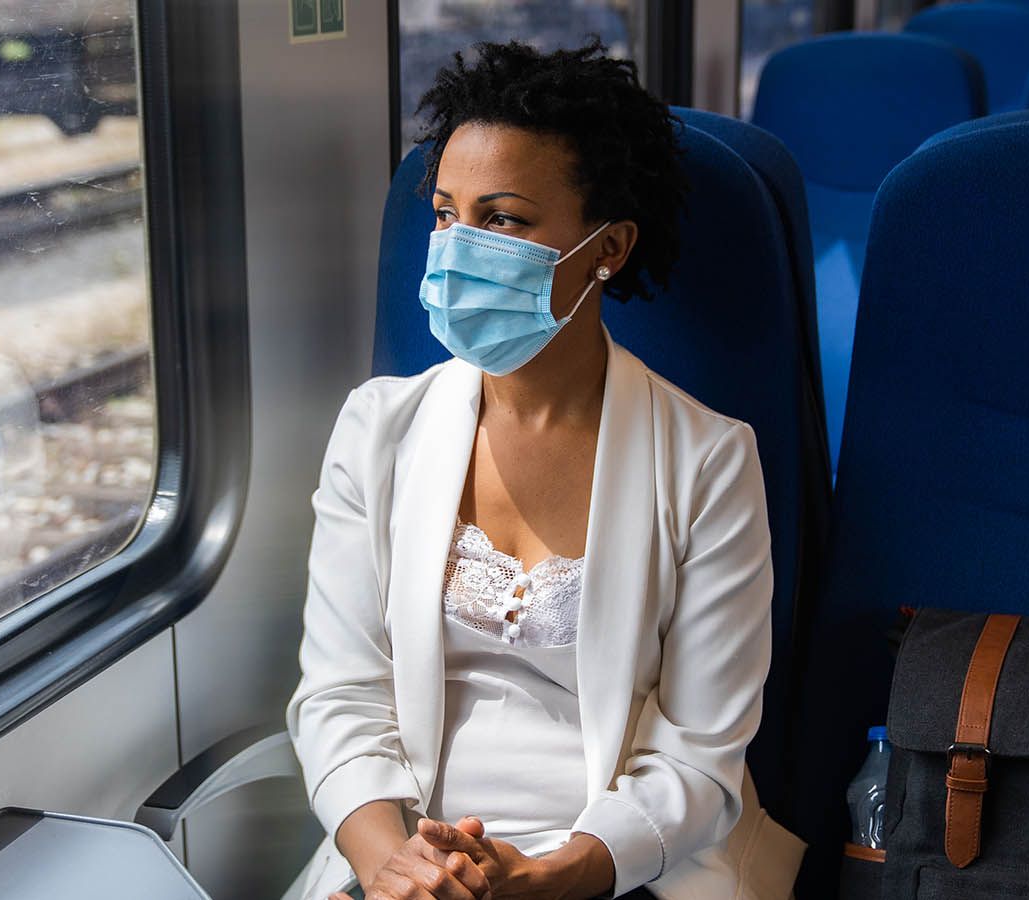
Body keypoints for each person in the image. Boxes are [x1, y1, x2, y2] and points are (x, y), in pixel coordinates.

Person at [287, 39, 803, 900]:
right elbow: (339, 696)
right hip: (405, 851)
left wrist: (553, 876)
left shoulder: (709, 460)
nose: (457, 249)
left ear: (608, 247)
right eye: (447, 214)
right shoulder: (376, 429)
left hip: (626, 859)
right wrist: (391, 864)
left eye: (505, 220)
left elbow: (700, 753)